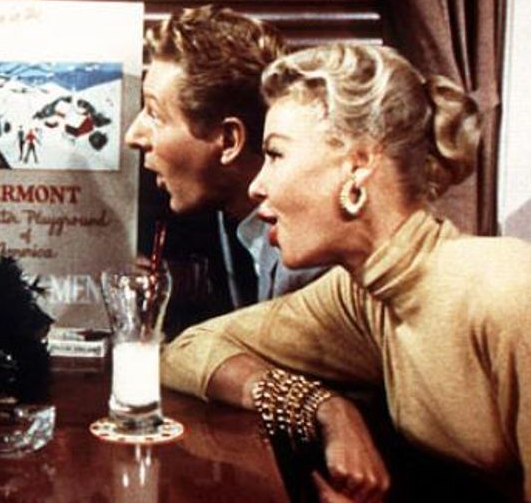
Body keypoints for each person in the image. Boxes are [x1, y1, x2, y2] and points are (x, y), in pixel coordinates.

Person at [163, 44, 531, 502]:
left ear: (357, 167)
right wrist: (322, 406)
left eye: (276, 154)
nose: (257, 185)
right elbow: (185, 351)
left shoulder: (509, 289)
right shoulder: (364, 294)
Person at [124, 5, 325, 331]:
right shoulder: (227, 219)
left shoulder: (311, 257)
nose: (133, 136)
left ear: (230, 140)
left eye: (154, 114)